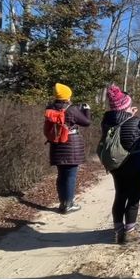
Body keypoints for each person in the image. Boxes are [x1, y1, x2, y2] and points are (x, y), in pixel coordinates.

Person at [101, 85, 140, 244]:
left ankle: (118, 231)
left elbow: (121, 123)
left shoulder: (107, 120)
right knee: (133, 198)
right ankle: (130, 232)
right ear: (126, 105)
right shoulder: (136, 122)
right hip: (135, 164)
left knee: (120, 195)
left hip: (116, 164)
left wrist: (132, 116)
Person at [47, 83, 91, 214]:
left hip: (56, 145)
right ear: (67, 96)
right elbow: (86, 122)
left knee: (61, 175)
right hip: (71, 146)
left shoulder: (50, 108)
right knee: (71, 176)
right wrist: (86, 110)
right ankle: (69, 204)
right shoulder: (71, 109)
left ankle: (62, 203)